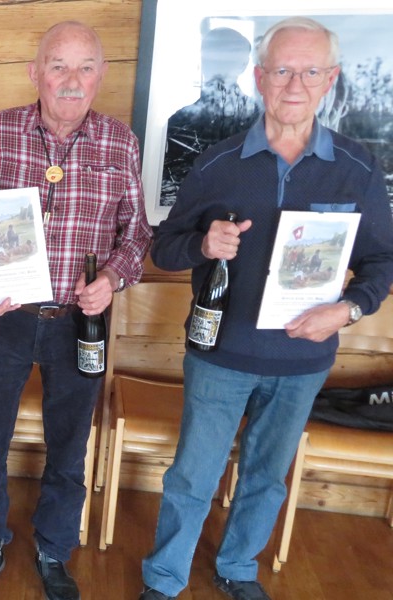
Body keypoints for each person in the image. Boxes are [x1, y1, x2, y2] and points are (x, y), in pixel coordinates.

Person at [140, 17, 393, 600]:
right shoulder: (216, 163)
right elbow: (165, 246)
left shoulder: (357, 169)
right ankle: (164, 579)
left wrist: (349, 309)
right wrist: (203, 244)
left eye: (309, 71)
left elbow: (382, 263)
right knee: (192, 477)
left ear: (330, 79)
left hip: (303, 360)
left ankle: (237, 568)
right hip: (220, 355)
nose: (294, 84)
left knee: (266, 478)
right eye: (281, 70)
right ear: (259, 77)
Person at [0, 21, 151, 600]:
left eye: (85, 67)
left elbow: (137, 236)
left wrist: (111, 279)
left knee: (69, 442)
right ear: (35, 72)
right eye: (58, 65)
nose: (71, 79)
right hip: (3, 321)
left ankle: (54, 548)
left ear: (102, 76)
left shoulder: (119, 141)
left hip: (80, 325)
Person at [161, 26, 261, 206]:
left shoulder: (261, 120)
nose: (216, 68)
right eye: (210, 59)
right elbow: (167, 187)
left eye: (225, 59)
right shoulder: (179, 121)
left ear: (243, 64)